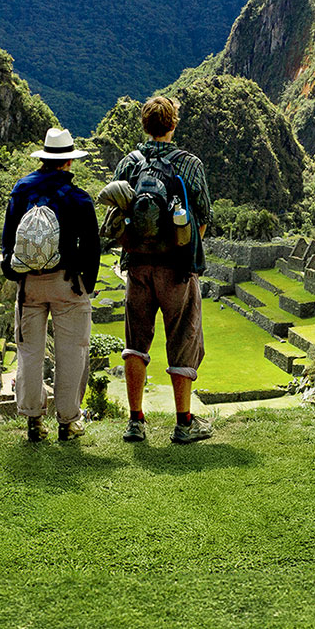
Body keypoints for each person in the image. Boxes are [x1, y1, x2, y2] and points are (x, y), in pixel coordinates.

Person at [108, 96, 214, 444]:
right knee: (183, 338)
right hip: (176, 269)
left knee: (135, 342)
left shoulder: (129, 164)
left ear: (144, 125)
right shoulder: (189, 164)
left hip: (137, 266)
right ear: (173, 124)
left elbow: (117, 215)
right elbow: (204, 215)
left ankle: (135, 421)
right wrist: (184, 247)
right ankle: (184, 423)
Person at [2, 125, 102, 442]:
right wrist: (86, 284)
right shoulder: (79, 198)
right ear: (69, 161)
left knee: (29, 352)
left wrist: (16, 274)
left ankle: (34, 421)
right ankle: (68, 422)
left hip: (30, 285)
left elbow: (8, 240)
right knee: (71, 353)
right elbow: (92, 247)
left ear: (43, 158)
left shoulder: (21, 190)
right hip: (67, 283)